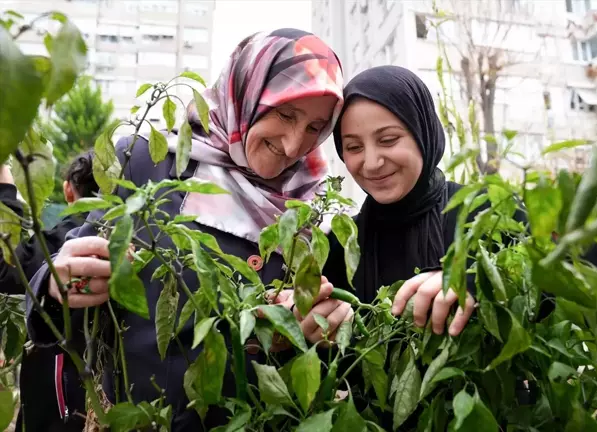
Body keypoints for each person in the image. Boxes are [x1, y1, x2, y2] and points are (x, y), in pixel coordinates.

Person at [25, 29, 349, 430]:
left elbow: (291, 356)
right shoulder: (149, 161)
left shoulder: (309, 209)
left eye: (316, 127)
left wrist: (297, 331)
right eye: (285, 114)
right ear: (245, 92)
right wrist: (57, 287)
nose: (295, 144)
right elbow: (60, 287)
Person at [324, 65, 478, 335]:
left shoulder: (482, 211)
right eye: (354, 147)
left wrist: (475, 283)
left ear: (423, 133)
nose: (371, 163)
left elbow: (549, 293)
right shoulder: (340, 246)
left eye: (388, 139)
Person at [1, 152, 98, 432]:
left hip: (59, 410)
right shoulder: (128, 234)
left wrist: (5, 189)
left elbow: (6, 267)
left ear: (68, 189)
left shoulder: (66, 237)